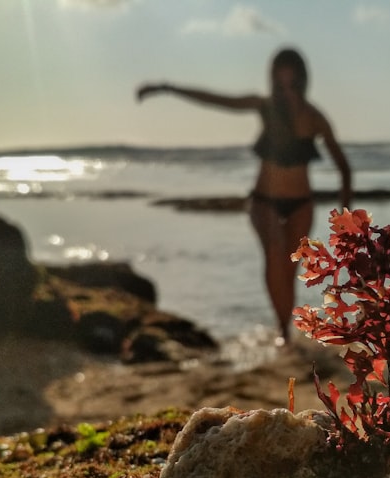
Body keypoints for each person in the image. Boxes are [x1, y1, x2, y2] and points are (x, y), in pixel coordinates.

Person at [137, 48, 353, 344]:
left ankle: (284, 331)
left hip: (301, 204)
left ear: (303, 82)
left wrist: (345, 219)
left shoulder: (315, 118)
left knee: (289, 269)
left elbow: (344, 167)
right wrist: (167, 88)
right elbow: (217, 100)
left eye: (293, 85)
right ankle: (283, 333)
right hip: (263, 200)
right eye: (281, 85)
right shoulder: (264, 107)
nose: (287, 91)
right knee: (275, 251)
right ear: (272, 83)